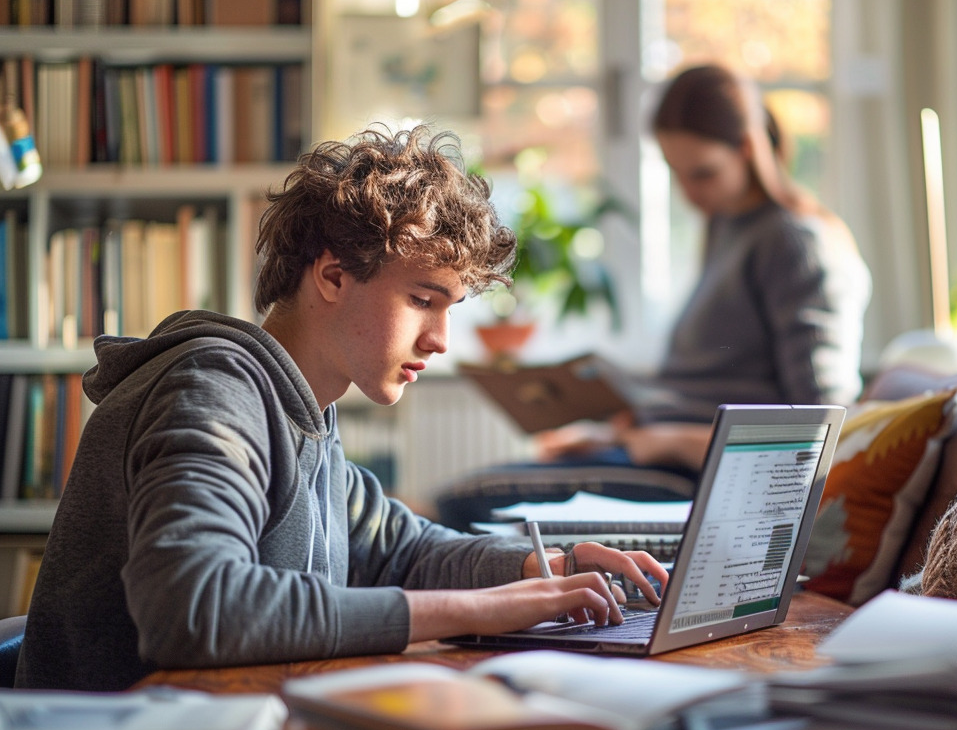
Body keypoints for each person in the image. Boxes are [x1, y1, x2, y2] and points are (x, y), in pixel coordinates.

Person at [15, 126, 669, 693]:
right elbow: (197, 607)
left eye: (449, 310)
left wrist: (542, 569)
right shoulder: (215, 391)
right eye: (422, 299)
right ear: (331, 277)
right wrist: (479, 608)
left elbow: (398, 547)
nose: (441, 340)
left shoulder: (302, 412)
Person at [434, 63, 871, 528]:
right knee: (459, 501)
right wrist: (612, 434)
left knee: (460, 503)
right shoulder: (729, 227)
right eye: (675, 173)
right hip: (659, 453)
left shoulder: (796, 243)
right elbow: (707, 387)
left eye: (703, 173)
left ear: (748, 149)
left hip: (698, 473)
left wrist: (668, 440)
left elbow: (822, 427)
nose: (688, 193)